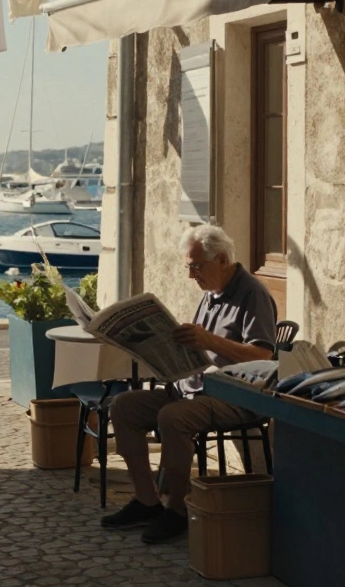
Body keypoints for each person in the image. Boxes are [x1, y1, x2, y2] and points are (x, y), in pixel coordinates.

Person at [101, 224, 277, 544]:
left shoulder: (253, 293)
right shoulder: (211, 292)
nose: (191, 276)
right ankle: (147, 500)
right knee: (123, 406)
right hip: (193, 387)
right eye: (189, 267)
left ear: (221, 260)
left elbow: (262, 355)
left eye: (196, 267)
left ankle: (177, 510)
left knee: (173, 417)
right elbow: (198, 347)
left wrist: (209, 340)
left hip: (235, 396)